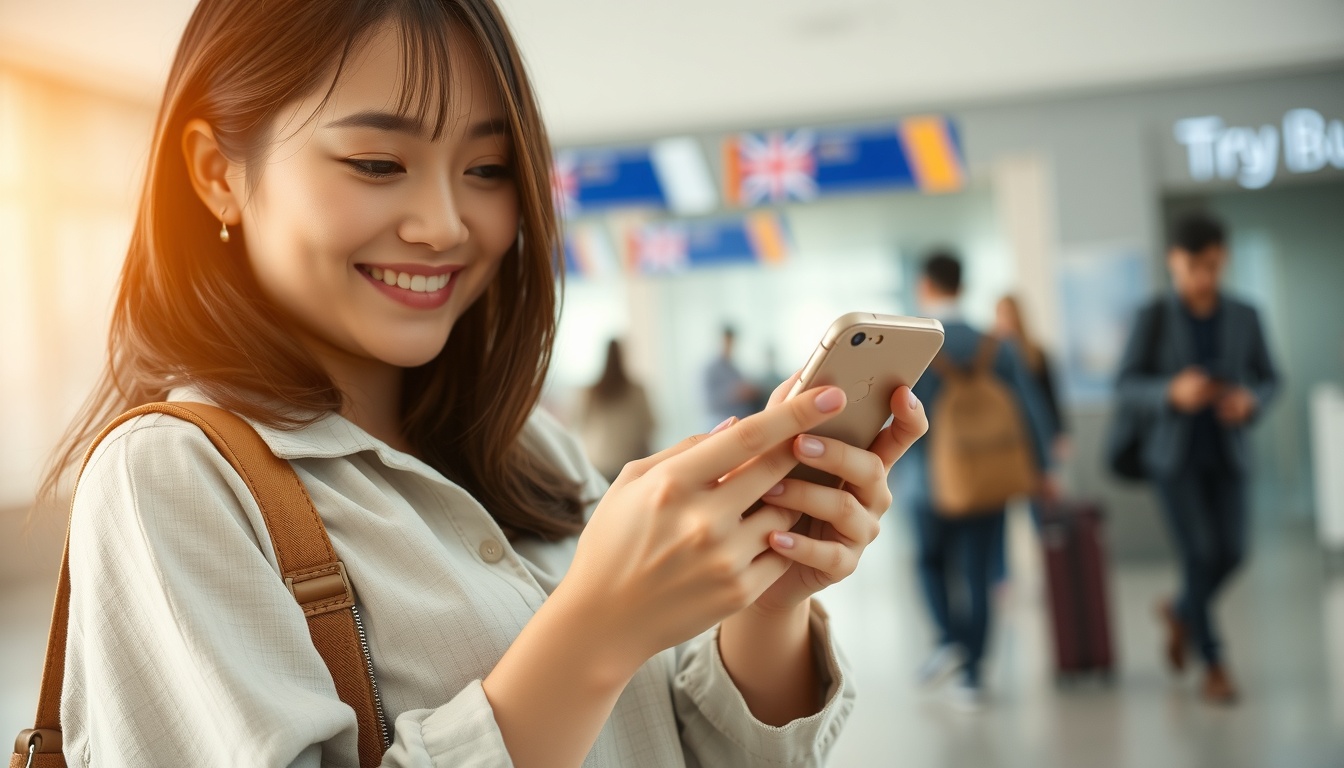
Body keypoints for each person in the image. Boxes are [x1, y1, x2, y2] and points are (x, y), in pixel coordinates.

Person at [36, 2, 933, 765]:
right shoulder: (169, 476)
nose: (444, 224)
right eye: (377, 165)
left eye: (487, 170)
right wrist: (595, 634)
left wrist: (768, 601)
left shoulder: (524, 445)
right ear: (216, 173)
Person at [1115, 211, 1279, 705]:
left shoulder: (1245, 314)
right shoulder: (1155, 316)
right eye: (1193, 267)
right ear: (1174, 263)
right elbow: (1125, 385)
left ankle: (1181, 608)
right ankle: (1215, 663)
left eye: (1211, 266)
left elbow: (1271, 377)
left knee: (1233, 552)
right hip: (1175, 459)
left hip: (1228, 453)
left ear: (1222, 260)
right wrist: (1170, 392)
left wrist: (1251, 401)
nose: (1203, 277)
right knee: (1198, 555)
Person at [892, 250, 1052, 710]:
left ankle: (947, 638)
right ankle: (973, 676)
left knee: (929, 562)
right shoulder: (995, 344)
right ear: (962, 284)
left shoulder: (912, 344)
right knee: (980, 572)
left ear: (925, 285)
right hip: (989, 475)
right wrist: (1043, 470)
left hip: (926, 481)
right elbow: (1029, 409)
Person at [990, 294, 1069, 581]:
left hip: (1034, 444)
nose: (1004, 321)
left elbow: (1050, 399)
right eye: (1000, 315)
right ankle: (1000, 577)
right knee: (997, 514)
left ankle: (1054, 569)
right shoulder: (991, 356)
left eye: (1009, 314)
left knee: (1042, 511)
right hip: (1004, 447)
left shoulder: (1037, 353)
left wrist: (1059, 435)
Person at [573, 339, 655, 483]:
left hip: (599, 463)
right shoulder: (636, 390)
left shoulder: (591, 392)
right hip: (631, 462)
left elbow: (578, 422)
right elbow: (650, 425)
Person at [703, 325, 761, 426]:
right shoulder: (709, 369)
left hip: (740, 417)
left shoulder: (734, 368)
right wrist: (734, 393)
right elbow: (707, 402)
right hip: (719, 420)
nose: (729, 347)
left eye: (731, 343)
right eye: (726, 342)